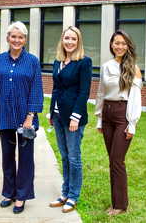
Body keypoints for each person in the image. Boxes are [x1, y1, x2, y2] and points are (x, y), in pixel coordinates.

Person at [0, 21, 43, 214]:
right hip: (4, 117)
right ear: (8, 38)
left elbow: (36, 90)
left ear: (25, 39)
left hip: (26, 119)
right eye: (13, 36)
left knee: (26, 158)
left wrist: (30, 116)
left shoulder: (32, 61)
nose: (16, 40)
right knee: (7, 156)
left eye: (20, 37)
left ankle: (22, 196)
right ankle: (8, 192)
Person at [95, 29, 142, 215]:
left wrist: (132, 123)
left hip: (123, 114)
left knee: (117, 160)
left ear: (128, 45)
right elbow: (100, 92)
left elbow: (135, 98)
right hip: (107, 114)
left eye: (123, 43)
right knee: (112, 160)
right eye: (116, 43)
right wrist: (99, 118)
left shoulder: (133, 68)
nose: (120, 46)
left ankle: (120, 205)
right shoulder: (106, 66)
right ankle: (115, 202)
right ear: (111, 45)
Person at [48, 26, 92, 213]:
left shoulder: (84, 62)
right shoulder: (58, 61)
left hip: (73, 116)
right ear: (62, 40)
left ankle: (73, 196)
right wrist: (51, 112)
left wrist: (76, 117)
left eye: (74, 39)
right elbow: (56, 88)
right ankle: (65, 192)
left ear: (78, 41)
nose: (70, 42)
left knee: (74, 157)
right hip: (58, 115)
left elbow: (84, 92)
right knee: (64, 155)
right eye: (67, 38)